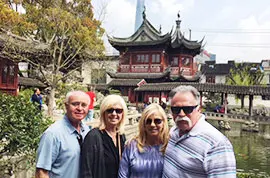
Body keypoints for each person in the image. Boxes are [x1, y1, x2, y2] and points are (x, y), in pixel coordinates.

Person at [163, 85, 236, 178]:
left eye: (187, 109)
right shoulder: (174, 131)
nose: (181, 114)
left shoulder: (216, 144)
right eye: (176, 109)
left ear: (199, 109)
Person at [35, 91, 90, 178]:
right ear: (66, 106)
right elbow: (41, 172)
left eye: (84, 105)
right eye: (75, 104)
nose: (80, 108)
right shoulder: (53, 134)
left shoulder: (86, 131)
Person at [80, 94, 128, 178]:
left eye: (118, 111)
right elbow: (86, 170)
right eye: (110, 110)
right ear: (103, 113)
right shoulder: (93, 136)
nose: (114, 114)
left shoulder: (120, 136)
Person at [118, 103, 169, 178]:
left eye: (157, 121)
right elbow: (123, 175)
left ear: (164, 123)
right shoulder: (132, 146)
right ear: (143, 124)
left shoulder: (169, 146)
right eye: (148, 121)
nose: (152, 124)